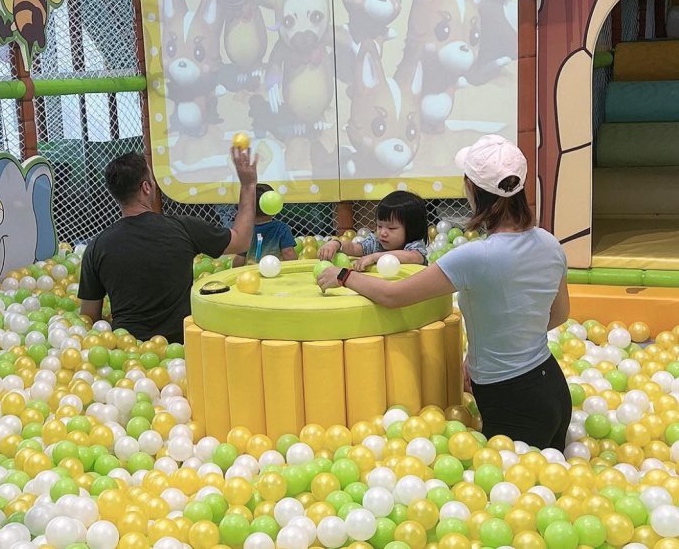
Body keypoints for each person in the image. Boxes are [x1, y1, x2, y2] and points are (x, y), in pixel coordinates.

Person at [317, 135, 571, 451]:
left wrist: (344, 276)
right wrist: (487, 352)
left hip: (511, 400)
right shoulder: (550, 243)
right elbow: (559, 314)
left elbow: (394, 296)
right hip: (553, 389)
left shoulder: (477, 256)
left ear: (471, 188)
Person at [79, 148, 258, 342]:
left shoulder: (97, 247)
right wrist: (248, 186)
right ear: (146, 187)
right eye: (153, 180)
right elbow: (241, 240)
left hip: (130, 357)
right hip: (183, 348)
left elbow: (89, 318)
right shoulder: (183, 228)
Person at [318, 191, 428, 270]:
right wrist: (335, 244)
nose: (383, 233)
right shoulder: (376, 244)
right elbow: (354, 248)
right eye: (379, 226)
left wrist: (375, 257)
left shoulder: (414, 246)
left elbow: (414, 257)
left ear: (412, 229)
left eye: (391, 228)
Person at [232, 184, 298, 267]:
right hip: (274, 271)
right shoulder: (281, 228)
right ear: (274, 205)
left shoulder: (245, 231)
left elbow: (239, 260)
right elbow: (289, 254)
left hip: (251, 274)